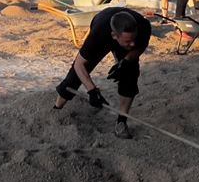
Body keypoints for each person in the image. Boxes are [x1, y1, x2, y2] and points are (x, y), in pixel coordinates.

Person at [53, 7, 151, 139]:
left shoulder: (143, 26)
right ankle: (56, 109)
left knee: (130, 74)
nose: (132, 44)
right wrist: (92, 91)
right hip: (101, 23)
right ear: (114, 36)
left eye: (134, 39)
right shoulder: (99, 34)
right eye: (128, 41)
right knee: (75, 76)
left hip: (122, 36)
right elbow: (79, 64)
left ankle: (121, 122)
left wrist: (126, 61)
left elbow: (140, 46)